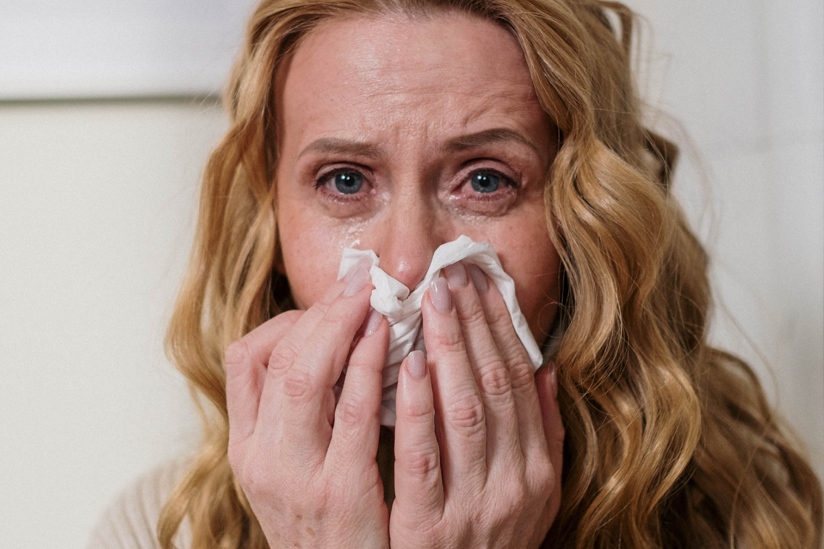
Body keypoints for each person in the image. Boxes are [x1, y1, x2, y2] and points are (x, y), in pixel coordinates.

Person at [88, 0, 823, 548]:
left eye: (485, 180)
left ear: (585, 223)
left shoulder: (747, 517)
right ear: (272, 224)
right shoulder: (163, 529)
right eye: (345, 181)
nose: (409, 263)